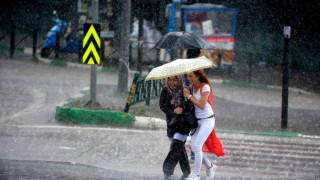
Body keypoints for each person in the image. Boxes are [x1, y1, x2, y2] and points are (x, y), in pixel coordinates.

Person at [183, 70, 225, 180]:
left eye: (191, 76)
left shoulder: (205, 87)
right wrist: (186, 93)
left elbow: (202, 105)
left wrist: (189, 96)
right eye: (187, 76)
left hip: (207, 120)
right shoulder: (192, 88)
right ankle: (210, 166)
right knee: (195, 147)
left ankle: (196, 174)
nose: (189, 78)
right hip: (198, 121)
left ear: (198, 76)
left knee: (197, 146)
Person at [160, 76, 191, 180]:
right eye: (169, 79)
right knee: (179, 149)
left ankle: (167, 172)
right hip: (171, 124)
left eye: (174, 79)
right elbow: (162, 106)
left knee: (176, 147)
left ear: (179, 80)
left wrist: (183, 107)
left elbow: (191, 106)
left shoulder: (185, 90)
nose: (171, 82)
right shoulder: (165, 90)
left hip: (183, 124)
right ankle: (187, 173)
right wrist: (173, 111)